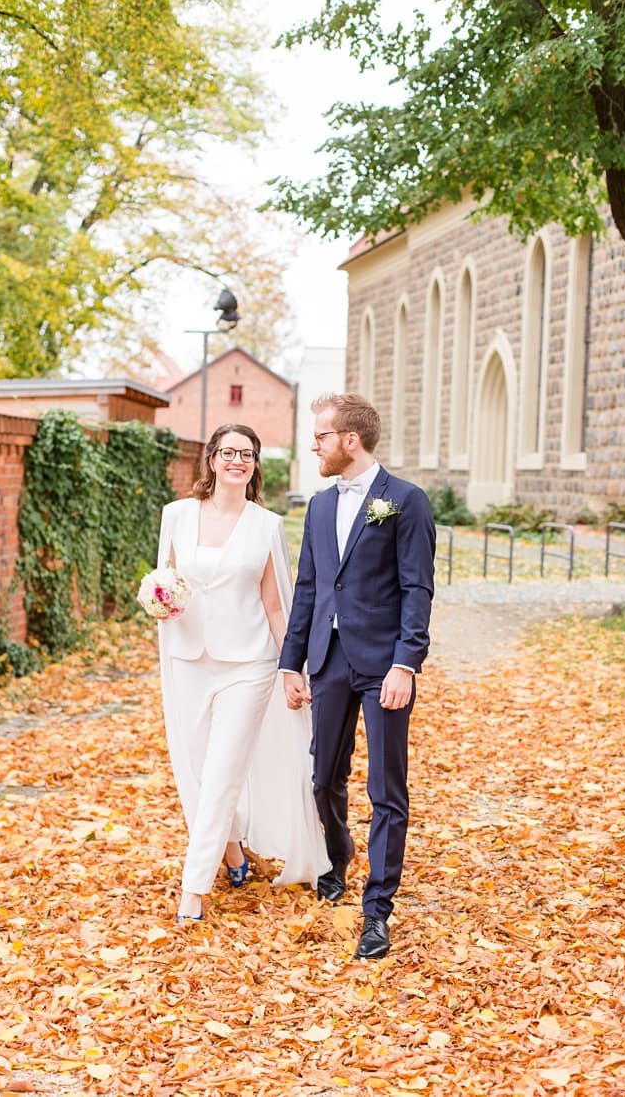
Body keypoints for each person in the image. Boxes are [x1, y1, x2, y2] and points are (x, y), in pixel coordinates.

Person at [280, 392, 435, 961]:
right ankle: (338, 853)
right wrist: (289, 664)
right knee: (323, 778)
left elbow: (417, 589)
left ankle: (377, 910)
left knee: (386, 789)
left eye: (321, 435)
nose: (313, 445)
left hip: (384, 662)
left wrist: (405, 663)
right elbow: (308, 590)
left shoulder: (406, 502)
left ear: (350, 440)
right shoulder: (319, 507)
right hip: (329, 659)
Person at [156, 424, 330, 924]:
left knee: (224, 767)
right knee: (192, 767)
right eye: (228, 452)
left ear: (255, 465)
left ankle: (193, 888)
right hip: (188, 658)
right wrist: (159, 604)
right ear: (210, 459)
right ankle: (232, 850)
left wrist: (291, 666)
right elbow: (165, 581)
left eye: (247, 454)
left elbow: (277, 607)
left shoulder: (265, 525)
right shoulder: (176, 516)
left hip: (248, 663)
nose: (238, 460)